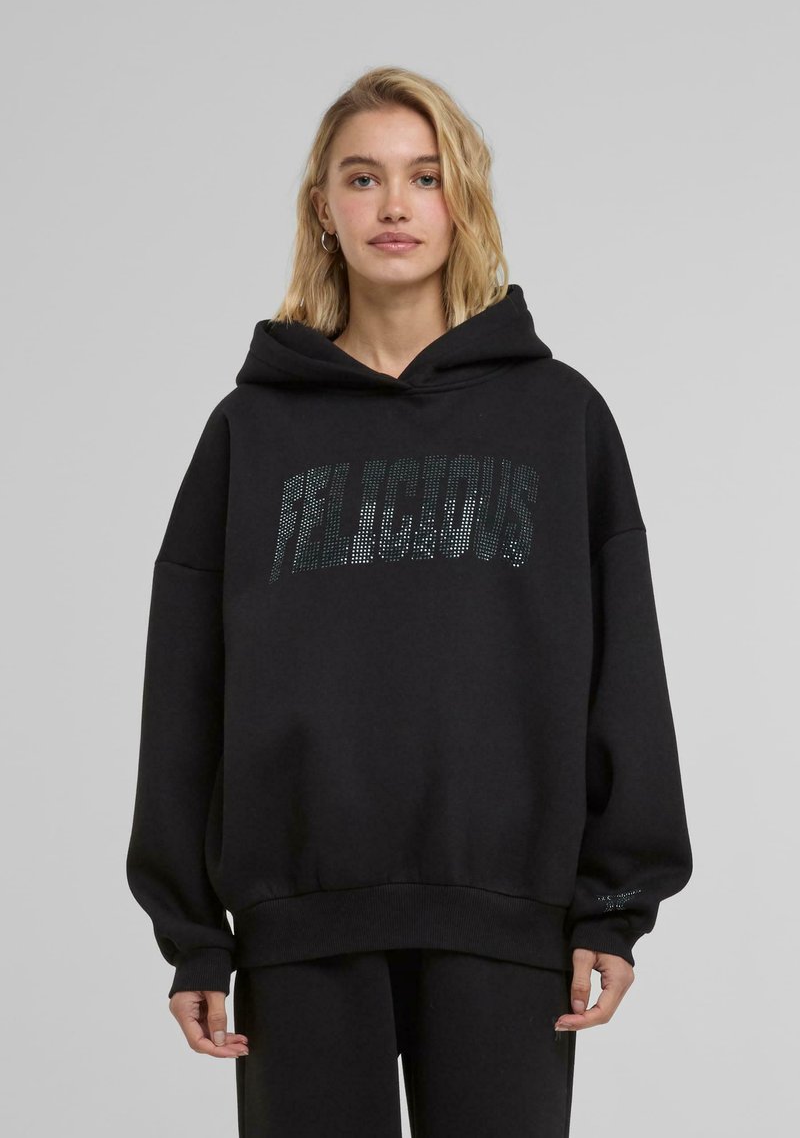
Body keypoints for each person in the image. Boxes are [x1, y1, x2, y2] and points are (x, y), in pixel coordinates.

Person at [125, 65, 693, 1137]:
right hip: (300, 928)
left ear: (461, 200)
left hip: (507, 924)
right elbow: (187, 687)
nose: (394, 204)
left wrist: (615, 905)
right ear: (323, 208)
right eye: (363, 177)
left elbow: (624, 668)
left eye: (425, 177)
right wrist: (194, 935)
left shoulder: (558, 417)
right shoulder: (251, 432)